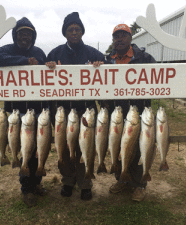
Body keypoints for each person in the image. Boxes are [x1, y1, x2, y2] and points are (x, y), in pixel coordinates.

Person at [0, 17, 47, 207]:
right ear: (15, 35)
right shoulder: (7, 50)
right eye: (21, 33)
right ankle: (26, 189)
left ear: (33, 36)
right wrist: (23, 61)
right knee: (22, 151)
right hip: (13, 114)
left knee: (34, 150)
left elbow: (48, 74)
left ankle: (36, 184)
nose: (25, 37)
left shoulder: (39, 52)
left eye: (28, 33)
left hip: (35, 111)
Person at [46, 12, 105, 201]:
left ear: (82, 32)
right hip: (63, 111)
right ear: (65, 33)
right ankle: (67, 181)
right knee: (64, 147)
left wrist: (101, 65)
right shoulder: (55, 54)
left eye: (77, 29)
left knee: (86, 147)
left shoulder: (93, 53)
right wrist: (47, 66)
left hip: (87, 109)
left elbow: (110, 73)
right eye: (70, 29)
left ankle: (85, 182)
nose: (74, 32)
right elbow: (42, 78)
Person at [105, 24, 156, 202]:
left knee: (140, 149)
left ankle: (140, 185)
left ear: (130, 38)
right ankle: (122, 179)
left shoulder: (145, 58)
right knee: (119, 148)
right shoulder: (107, 61)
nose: (119, 39)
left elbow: (158, 81)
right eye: (116, 36)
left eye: (123, 36)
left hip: (139, 113)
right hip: (116, 114)